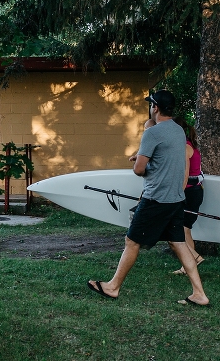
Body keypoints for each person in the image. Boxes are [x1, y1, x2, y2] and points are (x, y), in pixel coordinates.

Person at [86, 90, 209, 306]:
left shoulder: (152, 133)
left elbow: (139, 169)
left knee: (132, 241)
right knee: (178, 242)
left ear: (156, 107)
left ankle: (113, 287)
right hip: (175, 198)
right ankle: (199, 293)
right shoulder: (179, 131)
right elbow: (168, 161)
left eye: (151, 105)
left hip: (156, 198)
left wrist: (140, 163)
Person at [170, 116, 204, 275]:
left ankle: (195, 258)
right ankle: (188, 265)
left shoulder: (185, 148)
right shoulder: (188, 145)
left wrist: (178, 194)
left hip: (189, 192)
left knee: (182, 230)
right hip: (193, 191)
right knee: (185, 230)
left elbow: (184, 176)